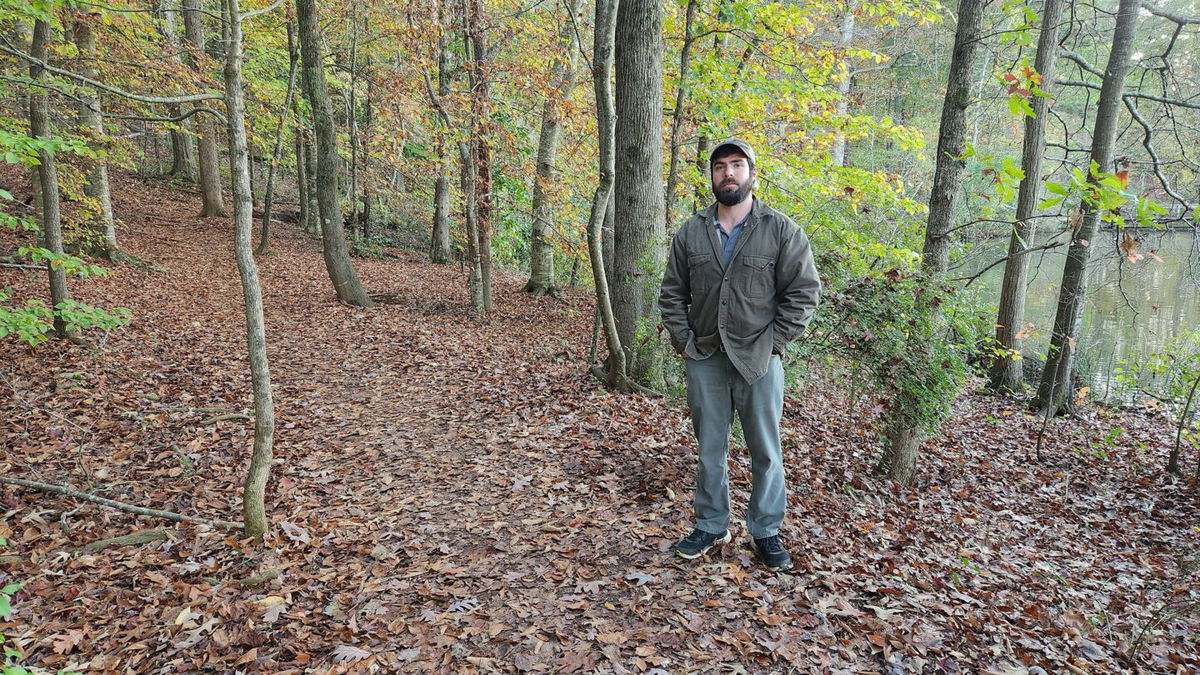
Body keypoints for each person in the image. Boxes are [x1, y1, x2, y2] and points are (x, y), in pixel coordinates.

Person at [659, 138, 820, 571]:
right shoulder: (691, 231)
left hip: (759, 360)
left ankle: (766, 530)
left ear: (751, 173)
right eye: (719, 167)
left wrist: (775, 345)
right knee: (710, 449)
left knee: (765, 450)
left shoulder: (782, 230)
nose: (727, 173)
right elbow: (672, 295)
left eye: (736, 165)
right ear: (712, 176)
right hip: (706, 357)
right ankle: (711, 525)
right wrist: (686, 343)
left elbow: (803, 295)